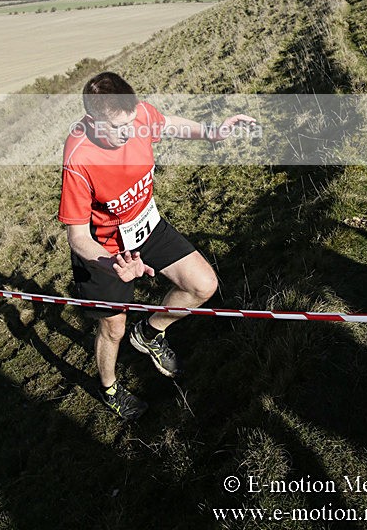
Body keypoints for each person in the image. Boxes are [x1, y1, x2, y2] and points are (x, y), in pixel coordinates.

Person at [58, 71, 256, 419]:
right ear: (92, 120)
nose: (129, 133)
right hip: (106, 249)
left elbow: (166, 123)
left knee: (203, 285)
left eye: (132, 123)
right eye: (118, 128)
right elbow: (78, 237)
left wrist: (211, 133)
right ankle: (109, 389)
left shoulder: (137, 118)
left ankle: (150, 332)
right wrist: (113, 263)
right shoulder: (79, 157)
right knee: (113, 328)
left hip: (147, 226)